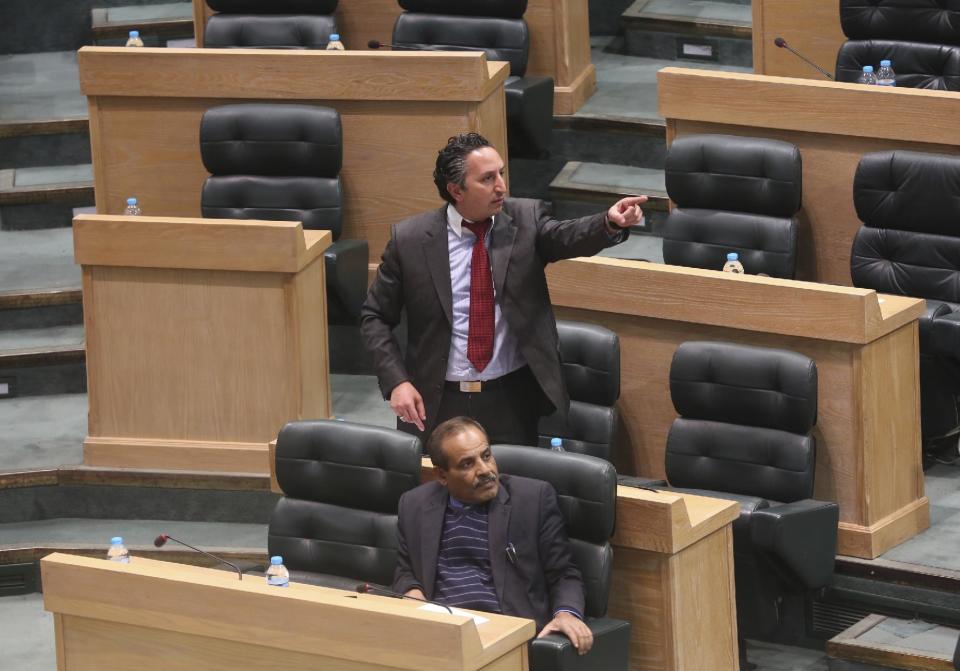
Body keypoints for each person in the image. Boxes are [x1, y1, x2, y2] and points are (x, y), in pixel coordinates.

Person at [360, 132, 647, 445]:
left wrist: (610, 222)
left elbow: (566, 235)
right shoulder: (411, 240)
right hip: (437, 401)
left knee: (512, 489)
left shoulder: (526, 219)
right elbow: (374, 316)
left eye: (501, 173)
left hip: (511, 400)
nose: (502, 186)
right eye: (487, 178)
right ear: (456, 190)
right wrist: (396, 381)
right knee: (436, 491)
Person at [394, 416, 593, 654]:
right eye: (468, 464)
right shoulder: (415, 504)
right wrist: (411, 592)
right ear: (442, 476)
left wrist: (566, 614)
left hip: (504, 635)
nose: (485, 470)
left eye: (486, 456)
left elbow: (564, 573)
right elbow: (405, 569)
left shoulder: (532, 499)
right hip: (440, 634)